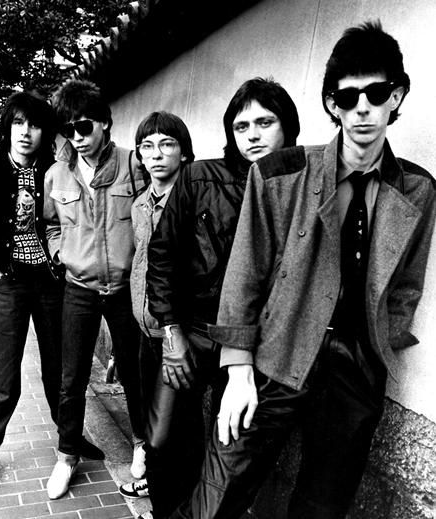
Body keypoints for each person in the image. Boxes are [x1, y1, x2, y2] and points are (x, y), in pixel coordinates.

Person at [171, 21, 436, 519]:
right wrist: (238, 369)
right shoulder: (280, 172)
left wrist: (382, 337)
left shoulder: (418, 189)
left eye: (376, 93)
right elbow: (244, 275)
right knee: (218, 494)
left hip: (355, 369)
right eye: (348, 95)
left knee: (323, 505)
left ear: (396, 97)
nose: (363, 108)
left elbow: (407, 283)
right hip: (276, 354)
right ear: (332, 104)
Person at [143, 78, 300, 519]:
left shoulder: (301, 187)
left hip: (257, 342)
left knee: (229, 453)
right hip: (193, 330)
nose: (252, 134)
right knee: (162, 439)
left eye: (265, 122)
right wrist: (171, 334)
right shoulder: (198, 177)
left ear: (287, 127)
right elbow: (162, 255)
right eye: (241, 125)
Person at [43, 79, 148, 499]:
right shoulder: (57, 174)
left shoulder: (132, 164)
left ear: (105, 122)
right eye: (67, 130)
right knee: (71, 378)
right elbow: (51, 224)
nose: (76, 138)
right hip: (79, 288)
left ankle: (142, 446)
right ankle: (67, 454)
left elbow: (150, 217)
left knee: (136, 373)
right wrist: (59, 252)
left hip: (124, 289)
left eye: (83, 127)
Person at [0, 91, 67, 493]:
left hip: (51, 281)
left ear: (45, 131)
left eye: (34, 124)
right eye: (18, 123)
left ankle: (68, 439)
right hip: (8, 281)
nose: (25, 132)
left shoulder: (56, 171)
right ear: (7, 127)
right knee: (1, 369)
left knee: (61, 363)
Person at [118, 111, 194, 503]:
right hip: (144, 327)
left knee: (171, 428)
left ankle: (172, 498)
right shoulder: (140, 203)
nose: (157, 155)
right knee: (152, 417)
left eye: (167, 144)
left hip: (178, 333)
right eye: (147, 146)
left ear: (183, 152)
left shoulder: (194, 198)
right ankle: (158, 482)